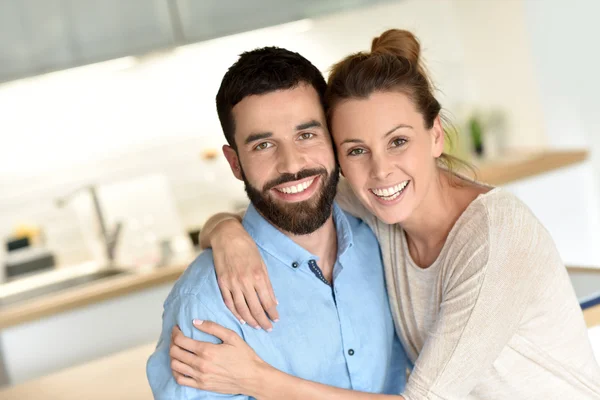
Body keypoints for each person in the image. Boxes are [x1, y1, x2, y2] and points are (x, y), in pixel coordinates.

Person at [168, 29, 600, 399]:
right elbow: (287, 189)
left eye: (398, 141)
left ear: (436, 136)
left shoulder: (494, 237)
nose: (380, 170)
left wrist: (259, 379)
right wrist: (226, 231)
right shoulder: (371, 204)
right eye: (356, 149)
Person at [145, 46, 408, 399]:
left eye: (306, 135)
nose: (291, 164)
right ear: (235, 163)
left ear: (332, 137)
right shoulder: (206, 302)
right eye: (264, 145)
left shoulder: (382, 241)